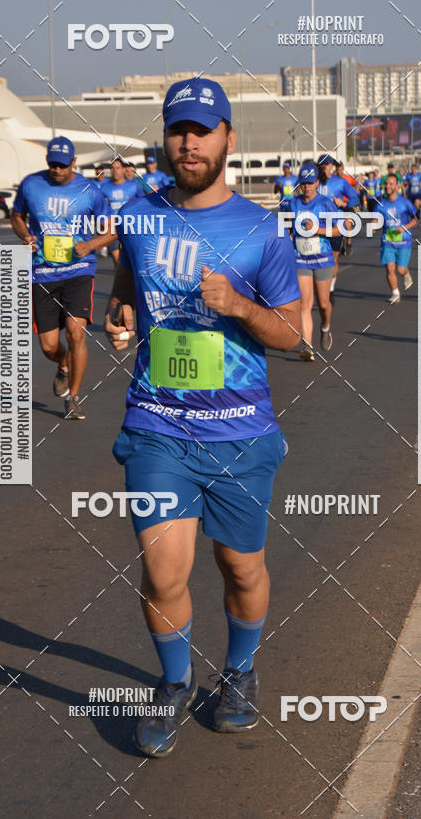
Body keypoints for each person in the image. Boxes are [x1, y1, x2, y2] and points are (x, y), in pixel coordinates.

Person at [105, 77, 301, 757]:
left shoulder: (262, 229)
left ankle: (241, 672)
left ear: (228, 140)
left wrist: (242, 307)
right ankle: (175, 680)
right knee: (162, 574)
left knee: (240, 569)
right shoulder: (138, 217)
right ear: (166, 138)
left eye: (202, 129)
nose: (188, 142)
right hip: (157, 426)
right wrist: (121, 311)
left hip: (241, 434)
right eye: (178, 129)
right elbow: (128, 285)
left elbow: (297, 338)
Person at [11, 136, 113, 419]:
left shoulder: (89, 190)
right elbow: (16, 215)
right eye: (52, 164)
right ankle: (63, 364)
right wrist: (25, 235)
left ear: (74, 162)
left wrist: (90, 245)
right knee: (49, 346)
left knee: (76, 333)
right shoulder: (31, 184)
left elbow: (111, 229)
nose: (57, 170)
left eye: (63, 165)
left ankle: (74, 397)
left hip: (78, 270)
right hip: (42, 272)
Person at [289, 162, 341, 358]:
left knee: (323, 303)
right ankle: (307, 346)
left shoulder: (325, 203)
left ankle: (325, 327)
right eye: (303, 183)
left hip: (322, 258)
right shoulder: (293, 203)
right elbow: (287, 228)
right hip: (301, 258)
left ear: (317, 182)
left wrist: (317, 229)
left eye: (310, 183)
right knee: (304, 303)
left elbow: (340, 229)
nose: (307, 187)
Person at [374, 174, 419, 303]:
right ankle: (395, 293)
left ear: (397, 186)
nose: (388, 186)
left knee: (400, 269)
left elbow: (416, 219)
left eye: (391, 183)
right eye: (386, 183)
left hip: (404, 241)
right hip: (387, 241)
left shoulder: (405, 202)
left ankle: (406, 273)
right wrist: (373, 225)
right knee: (389, 268)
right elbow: (375, 218)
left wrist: (405, 227)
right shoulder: (380, 204)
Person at [317, 153, 359, 289]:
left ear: (331, 166)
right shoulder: (313, 182)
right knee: (316, 258)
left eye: (326, 164)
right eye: (321, 165)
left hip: (335, 226)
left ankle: (330, 288)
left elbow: (355, 198)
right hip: (316, 226)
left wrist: (344, 203)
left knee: (333, 259)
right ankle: (319, 287)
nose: (324, 167)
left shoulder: (340, 182)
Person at [100, 157, 142, 266]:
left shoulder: (134, 186)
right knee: (118, 261)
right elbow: (100, 209)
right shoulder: (104, 188)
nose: (115, 170)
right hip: (113, 229)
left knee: (131, 263)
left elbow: (143, 205)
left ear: (123, 169)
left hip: (130, 228)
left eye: (118, 168)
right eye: (112, 168)